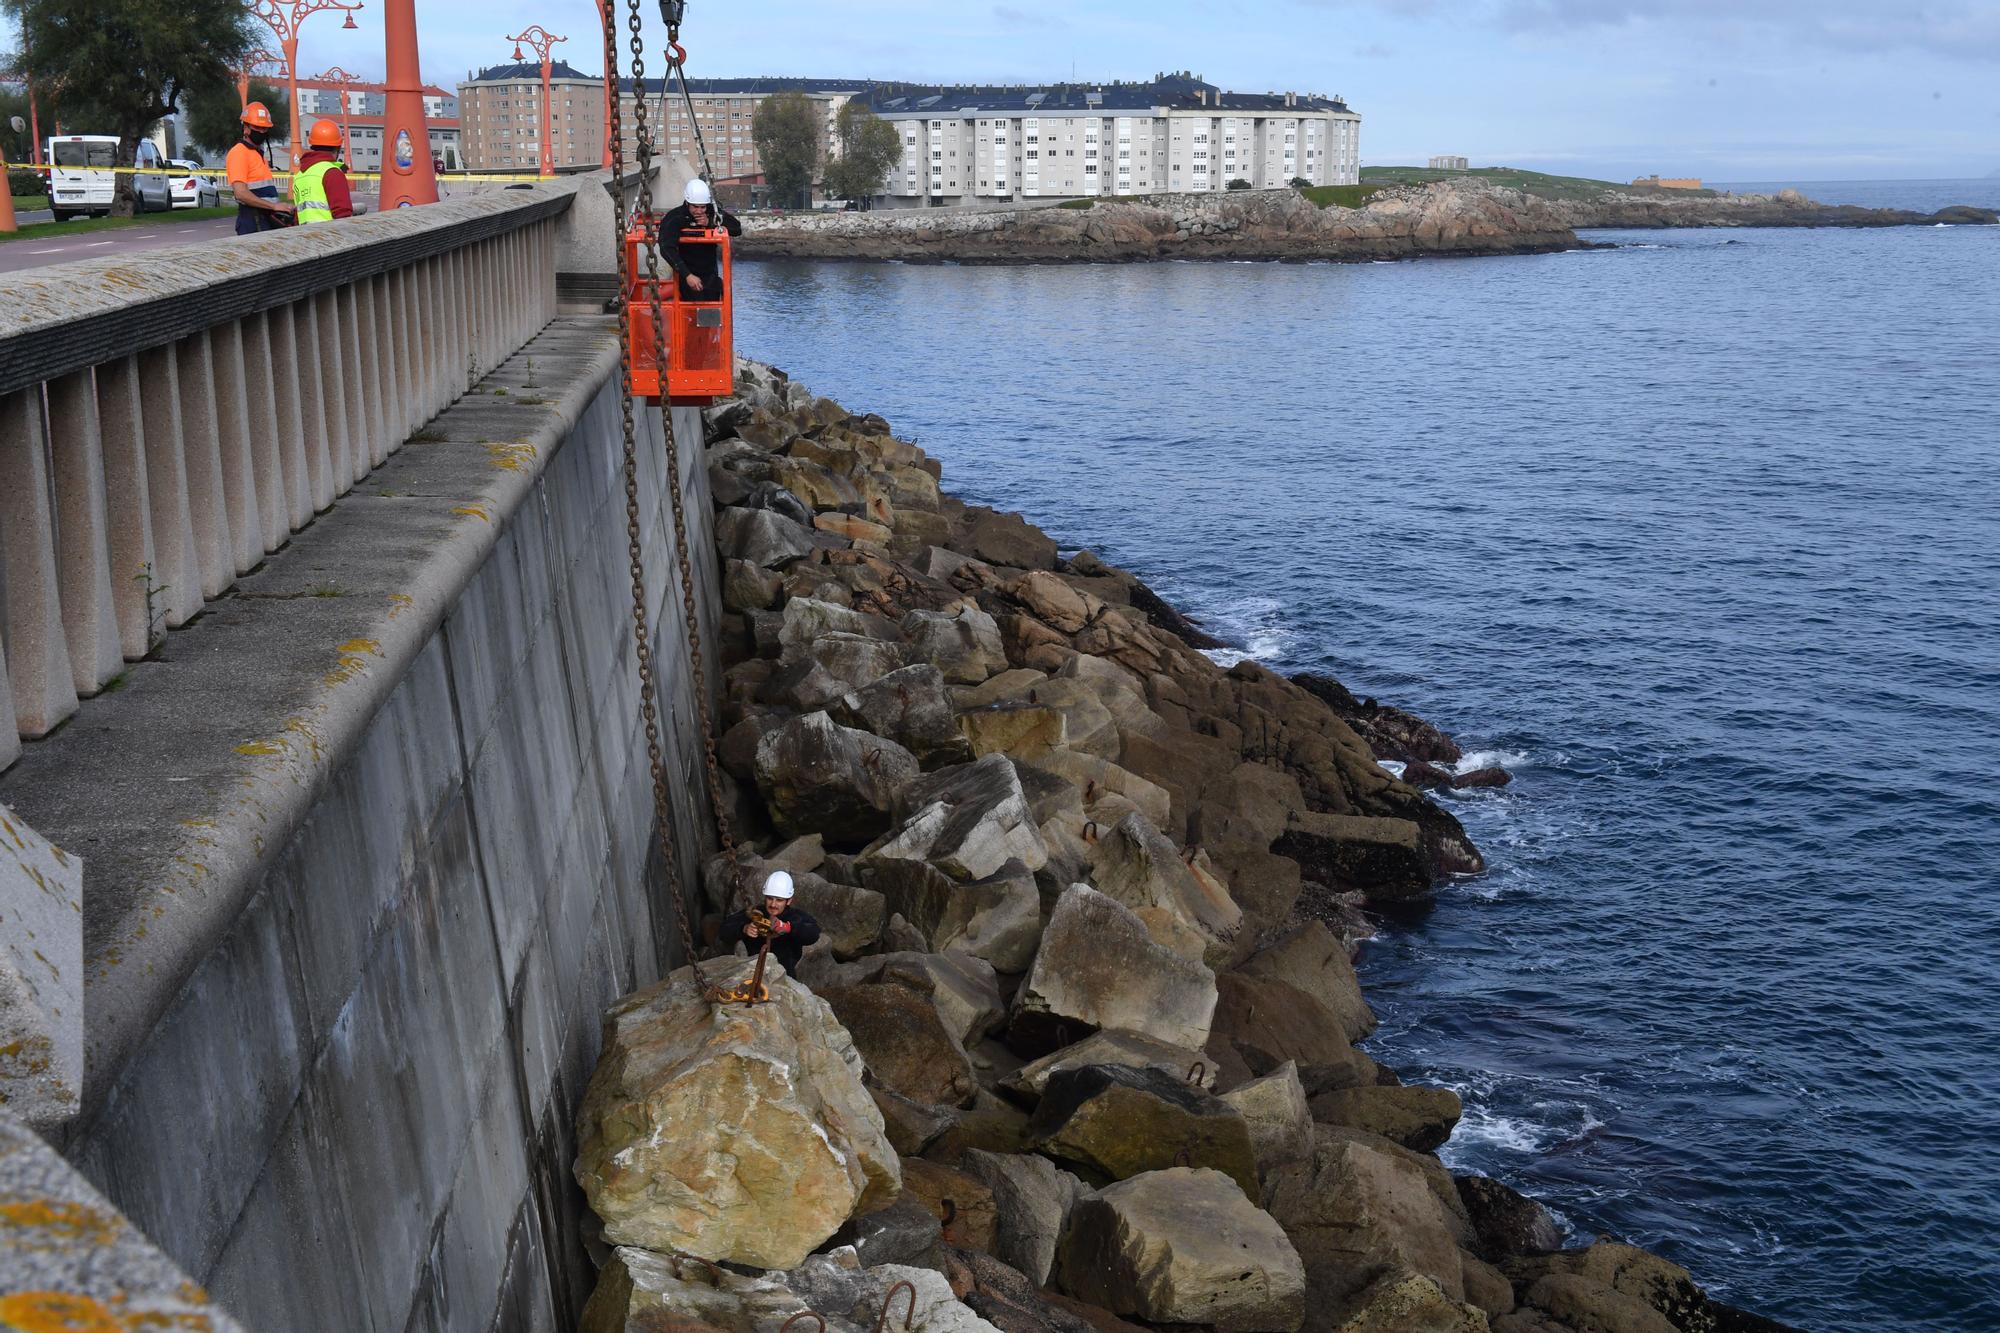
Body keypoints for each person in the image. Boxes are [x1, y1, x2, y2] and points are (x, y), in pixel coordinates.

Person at [654, 177, 742, 302]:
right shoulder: (675, 217)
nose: (699, 211)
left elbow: (736, 229)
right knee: (690, 308)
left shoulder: (712, 212)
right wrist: (687, 275)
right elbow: (666, 247)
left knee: (711, 309)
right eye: (695, 207)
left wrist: (710, 223)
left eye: (703, 207)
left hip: (709, 273)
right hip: (686, 272)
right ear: (687, 202)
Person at [719, 870, 820, 976]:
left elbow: (813, 934)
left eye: (779, 900)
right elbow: (724, 930)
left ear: (789, 901)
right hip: (752, 971)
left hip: (784, 974)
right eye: (770, 898)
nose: (773, 904)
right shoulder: (755, 913)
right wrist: (743, 929)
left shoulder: (795, 917)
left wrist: (788, 927)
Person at [226, 102, 294, 235]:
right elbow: (241, 193)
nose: (262, 132)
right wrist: (274, 206)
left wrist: (281, 207)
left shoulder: (258, 154)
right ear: (246, 128)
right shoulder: (239, 152)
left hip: (265, 221)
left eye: (265, 128)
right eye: (258, 127)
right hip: (253, 222)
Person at [293, 119, 355, 225]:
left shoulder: (299, 176)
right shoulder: (332, 173)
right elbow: (343, 214)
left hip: (305, 237)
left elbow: (297, 217)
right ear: (338, 147)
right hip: (329, 237)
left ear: (312, 145)